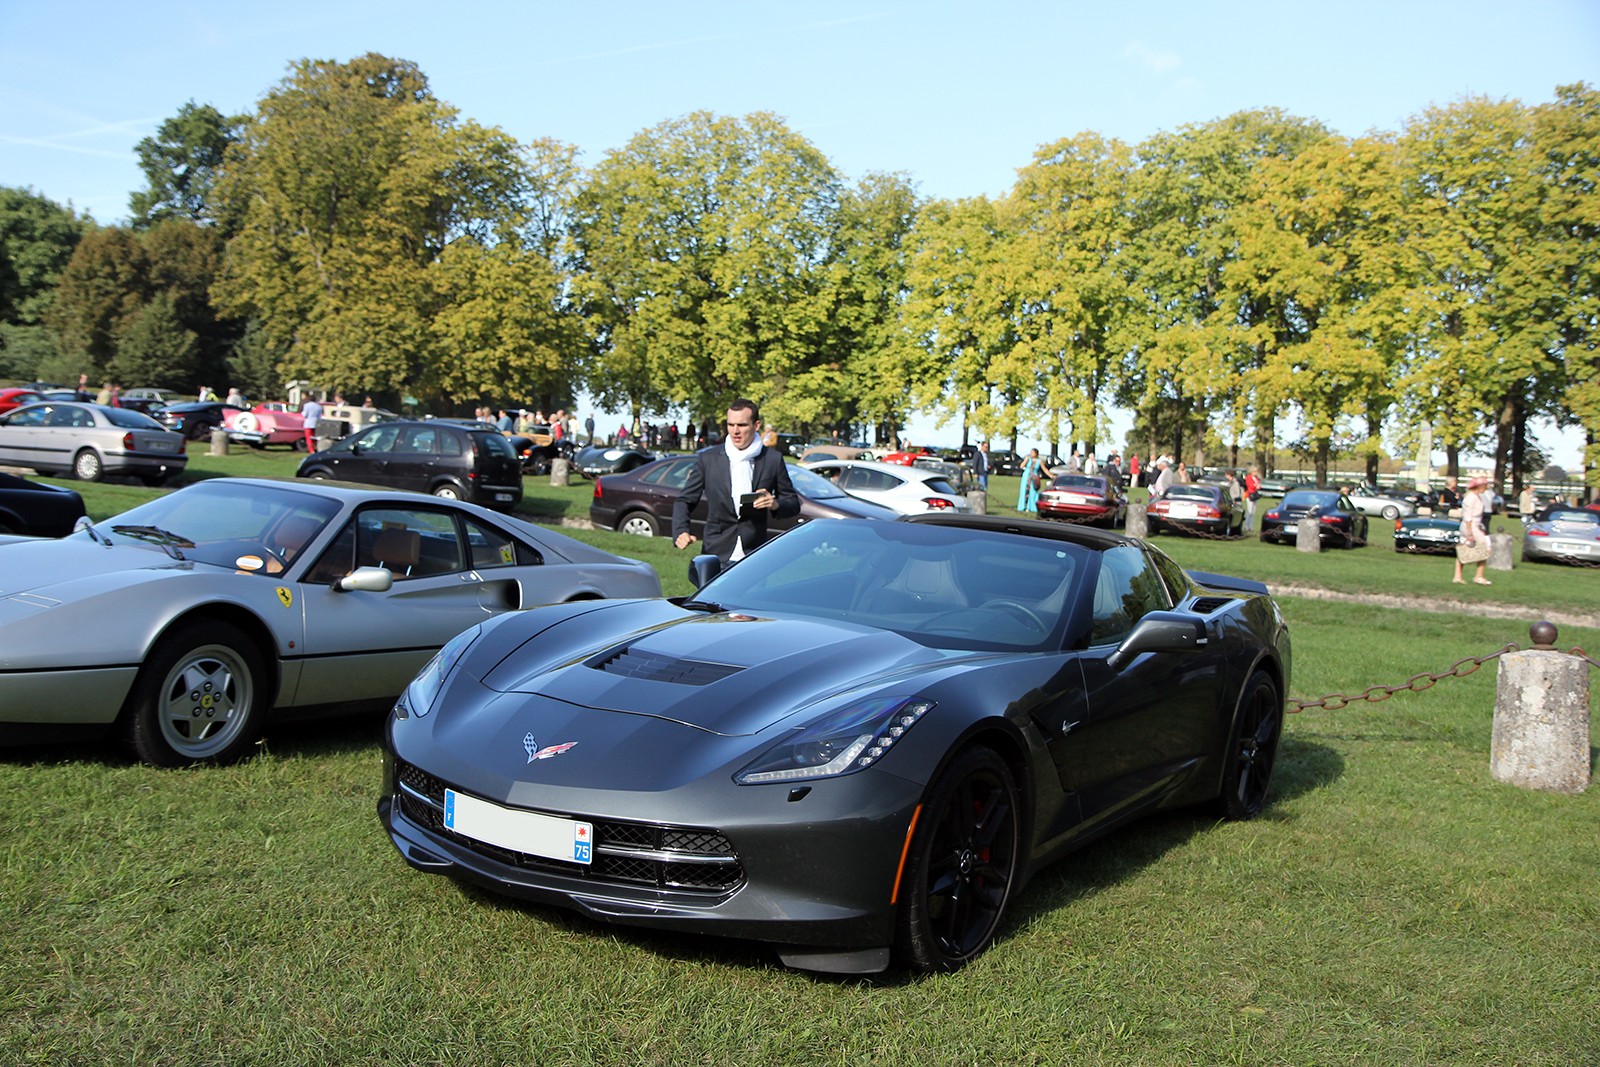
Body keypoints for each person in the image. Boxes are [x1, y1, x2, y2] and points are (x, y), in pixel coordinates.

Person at [672, 399, 799, 565]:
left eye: (742, 425)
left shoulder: (772, 460)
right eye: (730, 425)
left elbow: (793, 503)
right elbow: (684, 500)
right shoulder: (708, 459)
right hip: (716, 553)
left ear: (756, 425)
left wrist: (774, 504)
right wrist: (681, 531)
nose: (735, 431)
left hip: (754, 555)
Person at [1453, 474, 1493, 585]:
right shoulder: (1470, 498)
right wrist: (1470, 533)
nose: (1486, 487)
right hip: (1470, 526)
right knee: (1484, 548)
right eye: (1485, 485)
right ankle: (1478, 576)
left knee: (1465, 550)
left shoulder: (1476, 496)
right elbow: (1468, 516)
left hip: (1474, 526)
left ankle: (1458, 576)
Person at [1016, 448, 1053, 513]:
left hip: (1034, 477)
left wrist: (1051, 475)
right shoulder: (1028, 459)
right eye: (1031, 452)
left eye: (1033, 453)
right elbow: (1021, 466)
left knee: (1033, 492)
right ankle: (1022, 506)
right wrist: (1026, 460)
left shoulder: (1039, 461)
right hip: (1026, 476)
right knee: (1024, 491)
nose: (1031, 454)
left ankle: (1031, 507)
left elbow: (1044, 469)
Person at [1243, 466, 1262, 532]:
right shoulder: (1248, 478)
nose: (1256, 473)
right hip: (1250, 495)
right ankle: (1246, 526)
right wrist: (1255, 485)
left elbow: (1259, 485)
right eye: (1254, 471)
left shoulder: (1256, 478)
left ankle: (1250, 526)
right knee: (1249, 511)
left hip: (1255, 495)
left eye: (1256, 471)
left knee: (1253, 512)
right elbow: (1250, 485)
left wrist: (1258, 485)